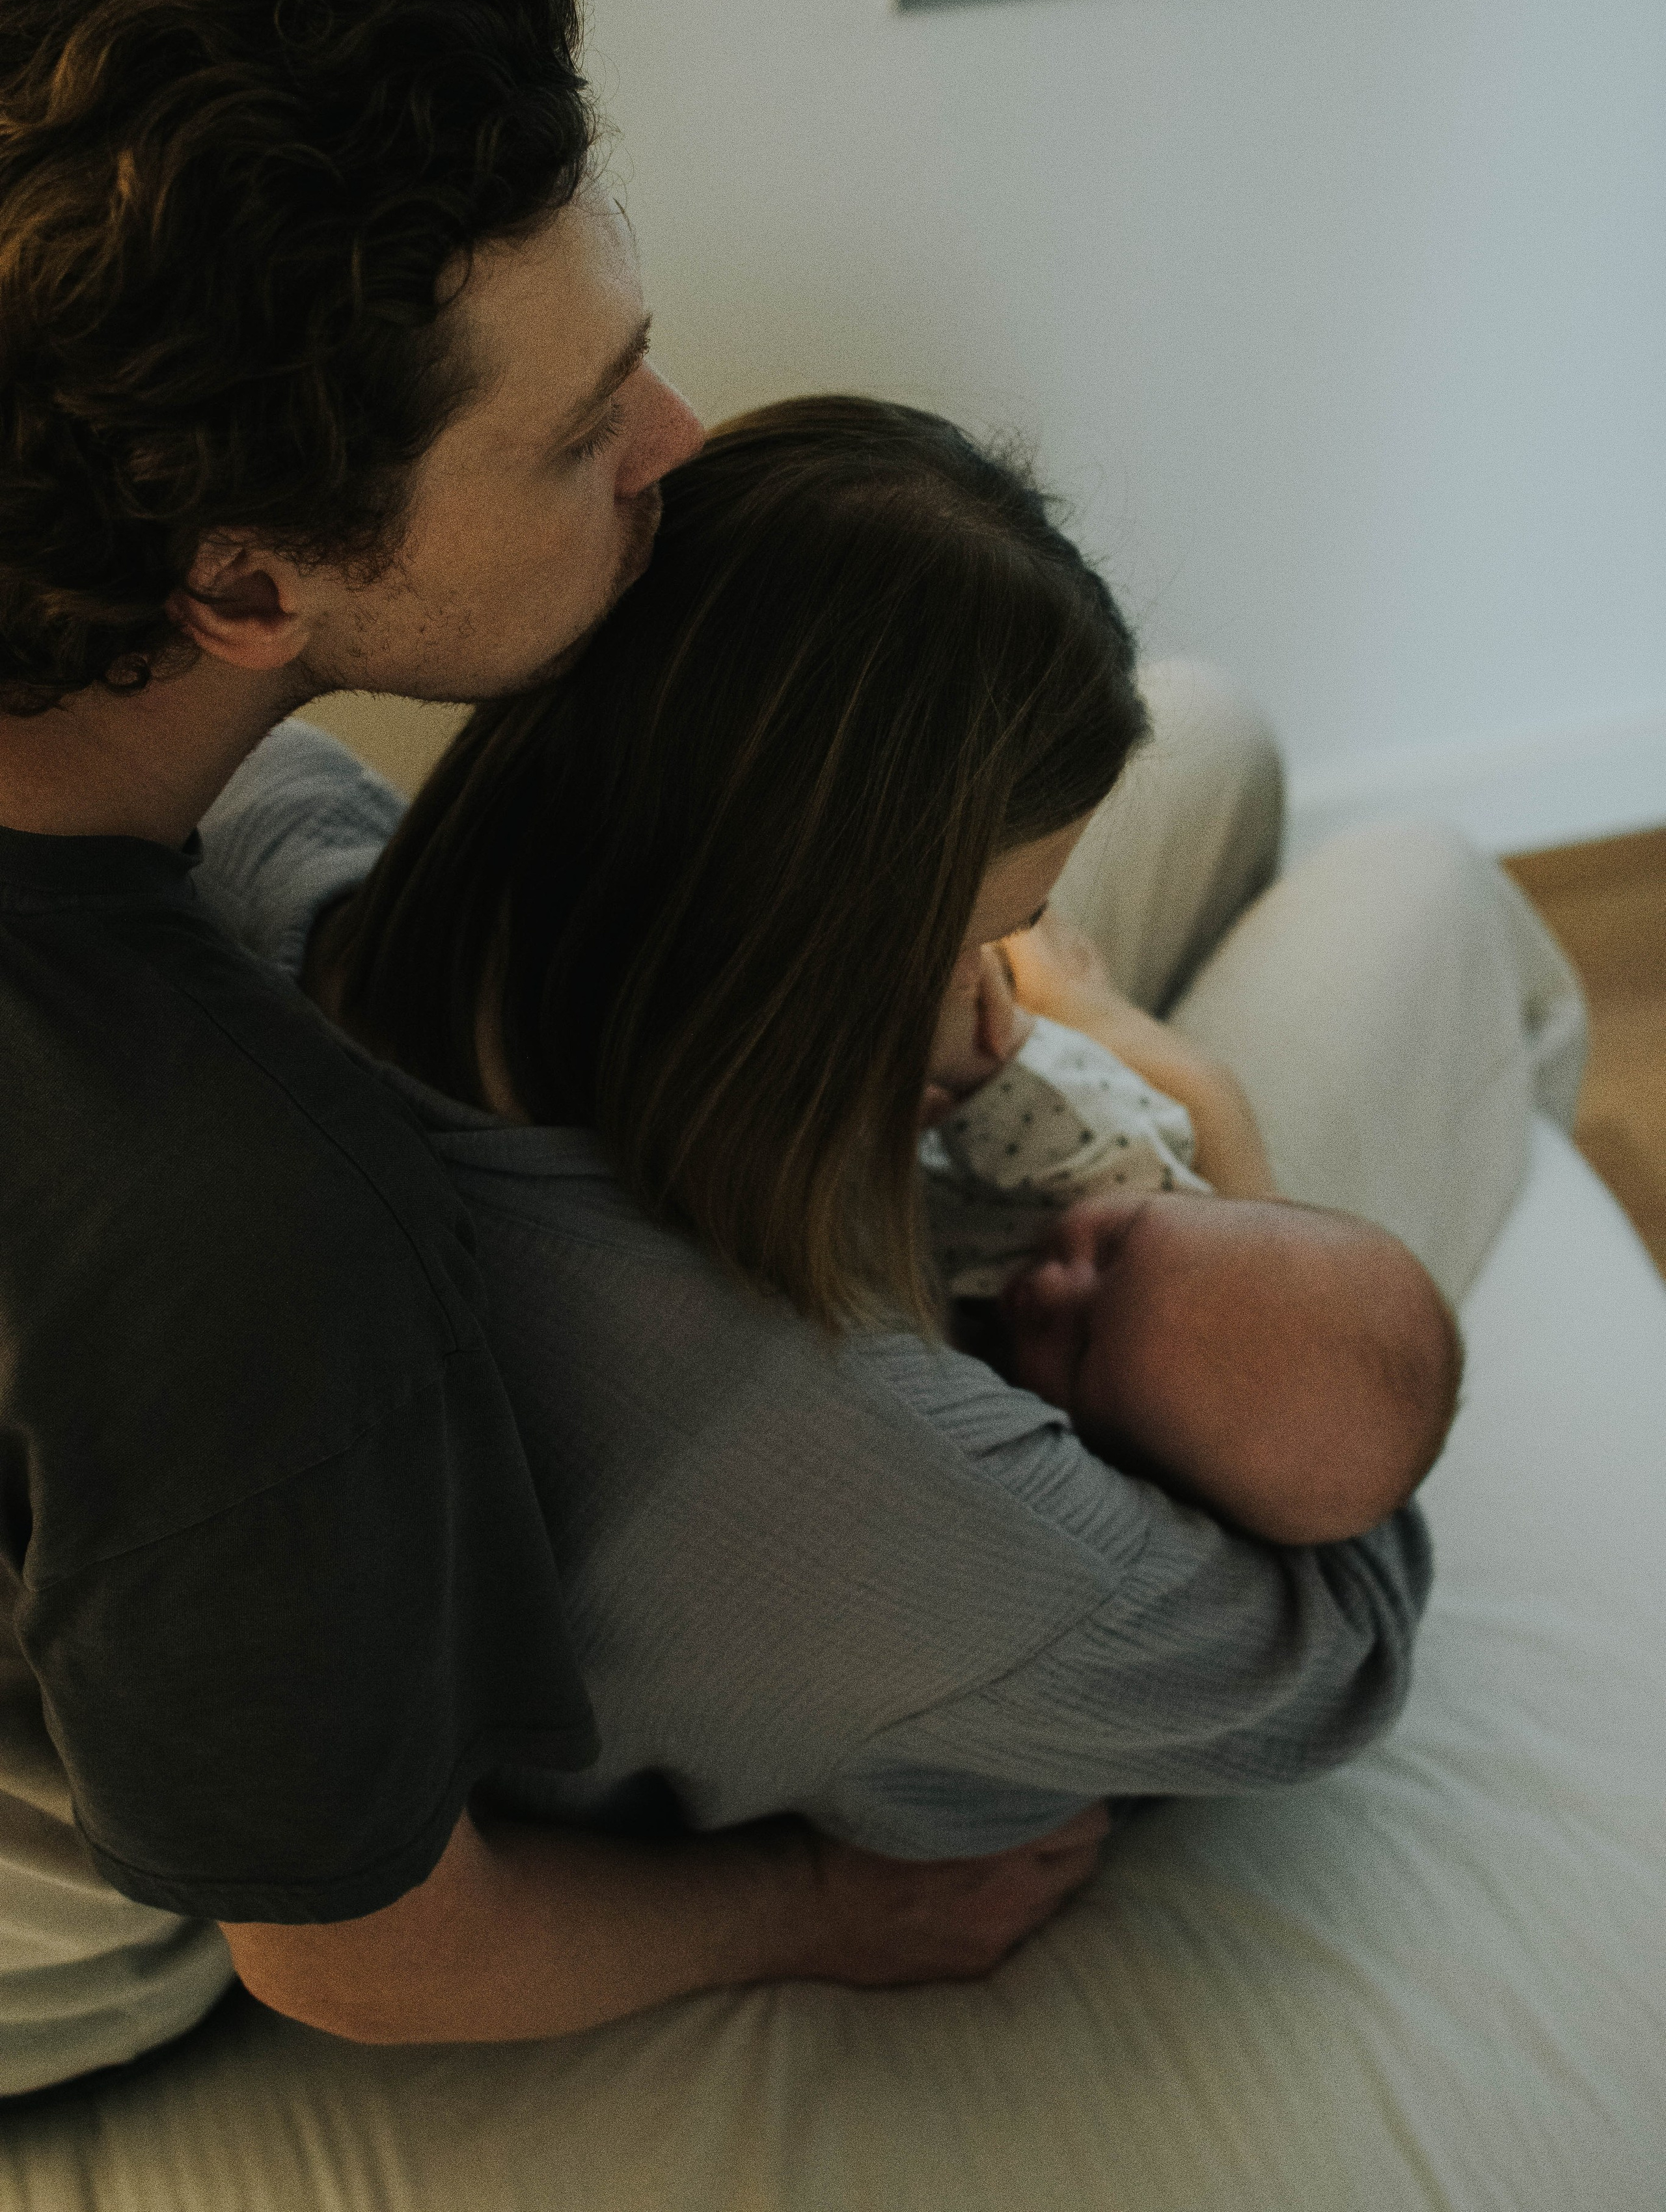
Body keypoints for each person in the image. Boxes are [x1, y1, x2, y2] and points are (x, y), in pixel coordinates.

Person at [0, 0, 1108, 2096]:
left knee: (1163, 763)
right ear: (240, 581)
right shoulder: (243, 1213)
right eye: (583, 421)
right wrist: (826, 1908)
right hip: (92, 1969)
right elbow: (358, 1949)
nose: (680, 440)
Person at [193, 394, 1454, 1922]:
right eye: (958, 940)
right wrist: (1202, 1114)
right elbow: (1345, 1641)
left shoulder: (279, 823)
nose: (984, 980)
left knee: (1205, 729)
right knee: (1418, 893)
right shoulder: (865, 1469)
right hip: (928, 1607)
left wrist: (970, 1046)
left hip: (816, 1278)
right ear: (803, 969)